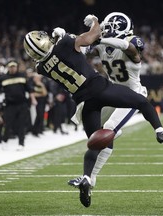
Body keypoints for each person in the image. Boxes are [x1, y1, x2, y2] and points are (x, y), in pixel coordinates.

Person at [23, 15, 163, 207]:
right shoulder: (69, 42)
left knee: (95, 142)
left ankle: (87, 177)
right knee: (133, 109)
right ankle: (160, 131)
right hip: (104, 90)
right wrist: (91, 23)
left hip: (85, 102)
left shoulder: (41, 68)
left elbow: (76, 53)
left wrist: (67, 38)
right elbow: (90, 38)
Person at [67, 12, 149, 190]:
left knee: (108, 130)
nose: (104, 28)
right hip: (113, 93)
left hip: (133, 96)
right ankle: (89, 179)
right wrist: (68, 37)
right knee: (96, 134)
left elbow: (128, 46)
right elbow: (81, 46)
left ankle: (89, 177)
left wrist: (99, 38)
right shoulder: (103, 44)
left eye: (107, 25)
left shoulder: (133, 42)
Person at [0, 60, 37, 150]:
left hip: (22, 103)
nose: (12, 68)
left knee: (21, 124)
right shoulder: (4, 78)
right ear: (8, 67)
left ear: (16, 67)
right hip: (10, 104)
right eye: (11, 66)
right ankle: (5, 141)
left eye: (14, 66)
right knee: (8, 123)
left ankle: (21, 143)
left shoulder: (22, 76)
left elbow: (30, 89)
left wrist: (33, 99)